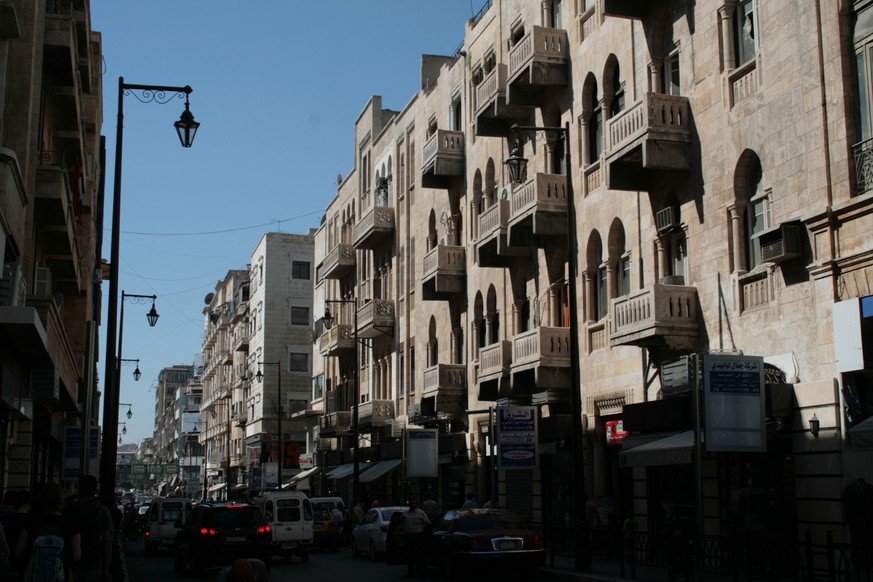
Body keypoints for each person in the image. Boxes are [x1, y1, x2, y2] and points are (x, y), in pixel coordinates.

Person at [14, 483, 80, 582]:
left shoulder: (31, 521)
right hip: (59, 577)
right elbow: (76, 557)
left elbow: (17, 554)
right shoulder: (70, 523)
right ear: (61, 500)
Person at [63, 475, 113, 582]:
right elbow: (107, 541)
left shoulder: (69, 509)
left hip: (71, 563)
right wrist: (106, 569)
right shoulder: (103, 511)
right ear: (95, 490)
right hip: (93, 563)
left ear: (79, 490)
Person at [397, 499, 430, 578]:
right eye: (412, 503)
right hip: (409, 537)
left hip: (419, 536)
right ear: (410, 505)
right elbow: (399, 522)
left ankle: (422, 572)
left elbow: (428, 523)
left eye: (415, 503)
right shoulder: (405, 514)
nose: (413, 505)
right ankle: (410, 572)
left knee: (420, 555)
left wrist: (424, 533)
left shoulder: (421, 513)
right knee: (409, 555)